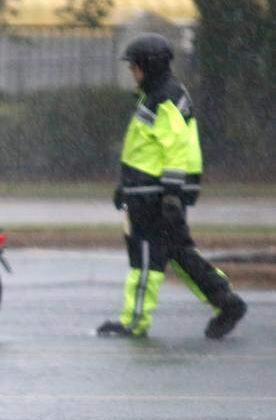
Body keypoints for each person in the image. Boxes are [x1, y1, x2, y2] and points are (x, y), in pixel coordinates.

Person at [97, 34, 246, 339]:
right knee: (179, 253)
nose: (132, 72)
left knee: (146, 258)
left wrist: (171, 196)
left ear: (149, 66)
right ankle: (226, 301)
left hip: (154, 193)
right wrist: (125, 186)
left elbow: (175, 148)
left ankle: (134, 321)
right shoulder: (158, 94)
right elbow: (145, 148)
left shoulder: (164, 97)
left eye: (134, 67)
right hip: (147, 190)